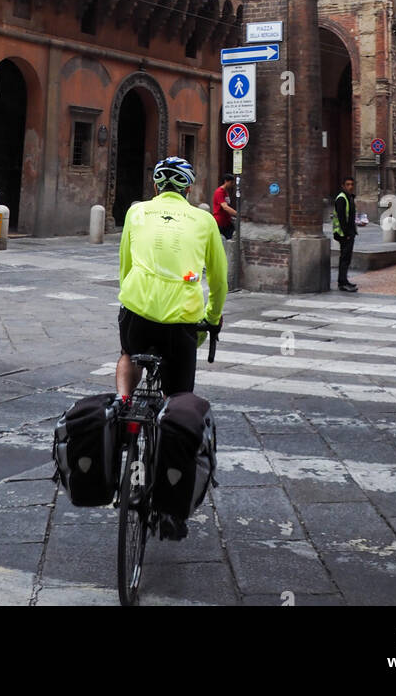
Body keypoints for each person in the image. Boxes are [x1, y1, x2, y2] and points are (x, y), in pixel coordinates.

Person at [117, 155, 227, 540]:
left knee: (128, 355)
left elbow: (126, 267)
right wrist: (212, 320)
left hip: (138, 314)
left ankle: (122, 403)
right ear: (189, 188)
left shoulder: (136, 213)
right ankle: (169, 511)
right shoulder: (204, 220)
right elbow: (220, 279)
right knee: (179, 403)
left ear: (155, 186)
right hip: (182, 322)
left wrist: (133, 301)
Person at [333, 176, 358, 292]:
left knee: (347, 258)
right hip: (344, 234)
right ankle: (342, 283)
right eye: (348, 184)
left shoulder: (349, 197)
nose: (350, 187)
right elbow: (342, 218)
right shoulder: (341, 198)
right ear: (343, 186)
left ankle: (344, 281)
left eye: (352, 184)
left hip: (349, 233)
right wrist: (347, 234)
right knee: (344, 258)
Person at [212, 173, 237, 240]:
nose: (232, 185)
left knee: (230, 238)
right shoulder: (219, 192)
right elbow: (225, 207)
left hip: (226, 221)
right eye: (231, 182)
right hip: (219, 221)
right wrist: (237, 214)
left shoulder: (226, 192)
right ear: (226, 181)